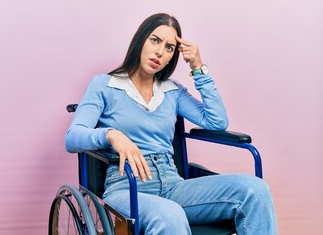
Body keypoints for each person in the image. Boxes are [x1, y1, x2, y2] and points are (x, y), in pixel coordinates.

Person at [65, 13, 277, 235]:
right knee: (170, 214)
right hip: (127, 187)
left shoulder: (172, 91)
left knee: (256, 190)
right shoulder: (104, 85)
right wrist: (110, 135)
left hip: (173, 184)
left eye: (169, 48)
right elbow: (72, 137)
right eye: (155, 40)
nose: (159, 52)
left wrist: (198, 67)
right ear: (141, 40)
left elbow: (217, 121)